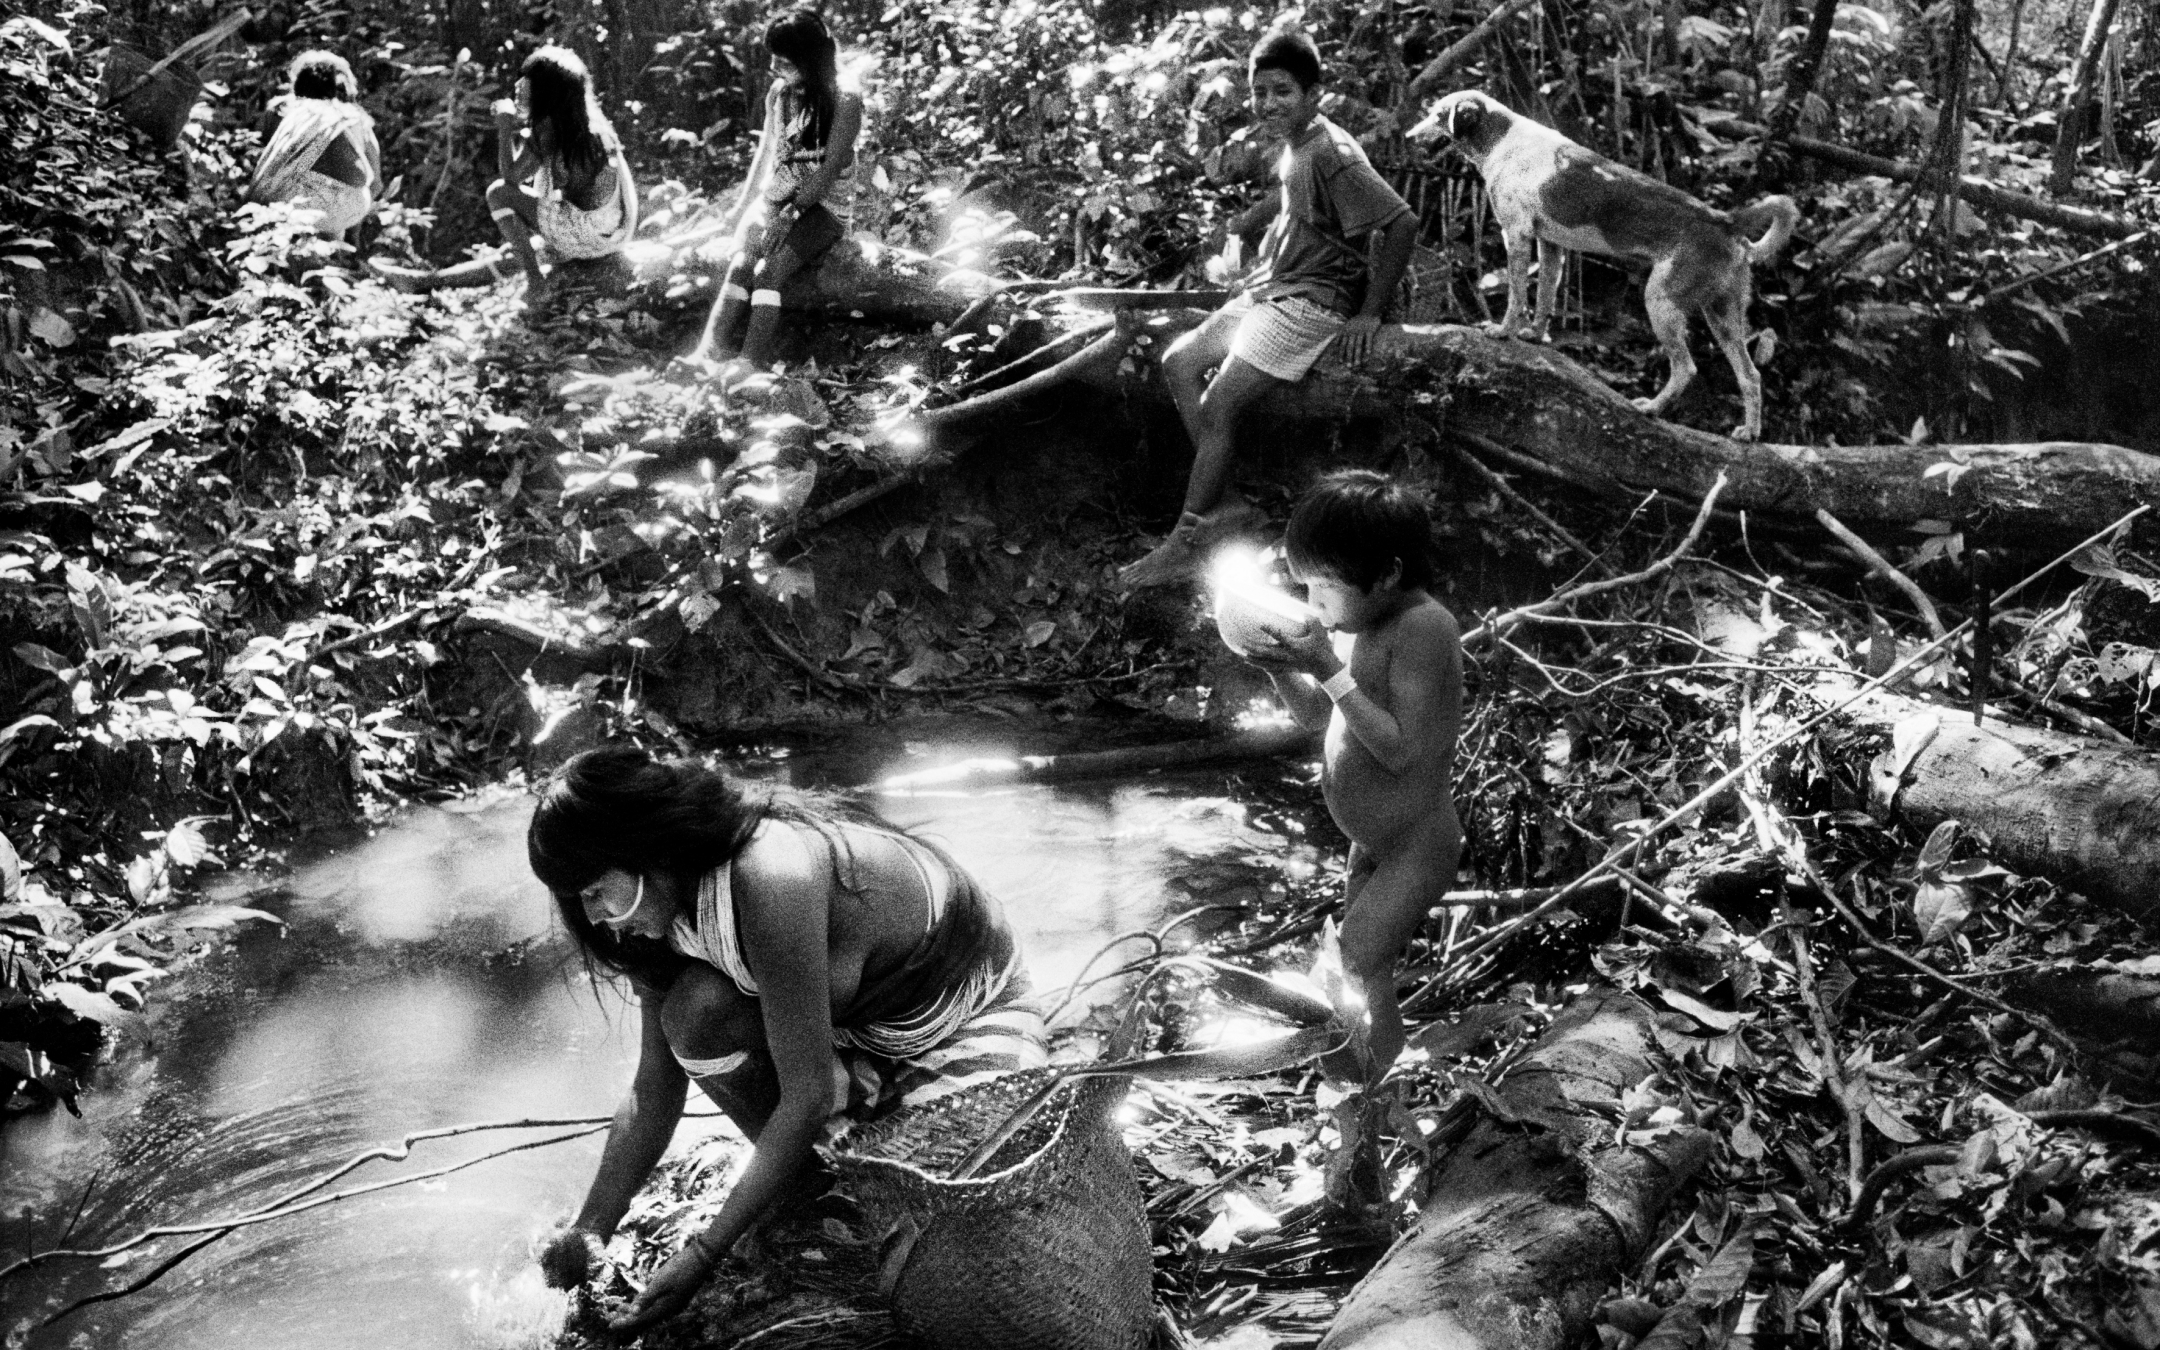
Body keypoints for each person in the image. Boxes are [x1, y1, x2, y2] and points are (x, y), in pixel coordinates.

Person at [525, 746, 1047, 1332]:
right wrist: (593, 1225)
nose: (594, 917)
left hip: (961, 1022)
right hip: (858, 1036)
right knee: (693, 1015)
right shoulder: (659, 915)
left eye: (596, 891)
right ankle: (805, 1186)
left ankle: (821, 1172)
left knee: (961, 1228)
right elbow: (654, 1086)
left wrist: (705, 1253)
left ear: (649, 850)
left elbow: (808, 1093)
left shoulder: (770, 874)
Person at [1119, 32, 1418, 591]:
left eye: (1283, 91)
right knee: (1179, 362)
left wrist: (1369, 313)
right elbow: (1291, 197)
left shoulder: (1333, 153)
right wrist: (1240, 227)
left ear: (1314, 95)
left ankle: (1185, 541)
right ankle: (1227, 502)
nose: (1268, 103)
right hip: (1275, 289)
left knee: (1217, 403)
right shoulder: (1297, 142)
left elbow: (1401, 222)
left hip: (1313, 300)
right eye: (1260, 92)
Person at [1234, 471, 1462, 1085]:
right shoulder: (1357, 623)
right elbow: (1322, 717)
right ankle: (1356, 1080)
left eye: (1326, 587)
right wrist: (1281, 669)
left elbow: (1400, 753)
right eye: (1305, 586)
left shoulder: (1424, 628)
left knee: (1362, 960)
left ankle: (1381, 1099)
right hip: (1373, 839)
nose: (1314, 605)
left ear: (1386, 574)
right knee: (1347, 962)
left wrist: (1327, 665)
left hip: (1417, 842)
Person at [372, 45, 637, 296]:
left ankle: (536, 282)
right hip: (613, 235)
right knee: (514, 254)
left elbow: (509, 180)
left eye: (526, 81)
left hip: (588, 236)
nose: (518, 87)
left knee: (498, 194)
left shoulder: (549, 128)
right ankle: (424, 282)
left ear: (546, 92)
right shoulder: (592, 124)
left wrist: (505, 125)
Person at [688, 7, 863, 373]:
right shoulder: (779, 94)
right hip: (778, 197)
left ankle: (749, 362)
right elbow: (767, 154)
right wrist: (744, 208)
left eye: (782, 62)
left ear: (810, 61)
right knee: (741, 263)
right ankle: (707, 353)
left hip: (823, 206)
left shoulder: (844, 99)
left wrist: (790, 215)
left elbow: (830, 169)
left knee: (769, 270)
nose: (773, 68)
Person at [248, 51, 382, 241]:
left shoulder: (282, 111)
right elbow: (372, 182)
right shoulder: (349, 117)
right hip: (321, 208)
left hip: (271, 201)